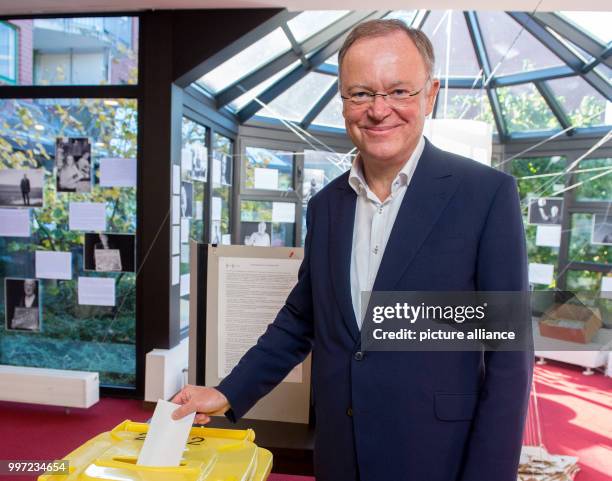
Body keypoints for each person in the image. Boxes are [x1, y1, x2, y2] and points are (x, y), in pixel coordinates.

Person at [172, 20, 532, 481]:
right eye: (361, 93)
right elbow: (300, 320)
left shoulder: (486, 195)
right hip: (341, 451)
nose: (379, 110)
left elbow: (509, 363)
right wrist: (226, 393)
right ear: (343, 100)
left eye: (399, 91)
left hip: (436, 455)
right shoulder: (326, 207)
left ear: (430, 94)